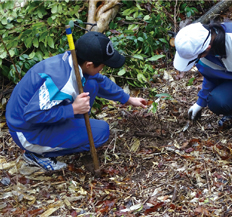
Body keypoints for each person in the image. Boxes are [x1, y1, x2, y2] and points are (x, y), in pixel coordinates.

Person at [5, 31, 147, 171]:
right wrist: (72, 109)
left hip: (36, 118)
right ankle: (37, 154)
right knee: (101, 132)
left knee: (91, 84)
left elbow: (98, 80)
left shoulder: (71, 60)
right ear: (89, 64)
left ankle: (72, 130)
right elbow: (32, 115)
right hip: (27, 132)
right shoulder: (61, 81)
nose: (103, 68)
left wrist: (127, 99)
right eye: (102, 65)